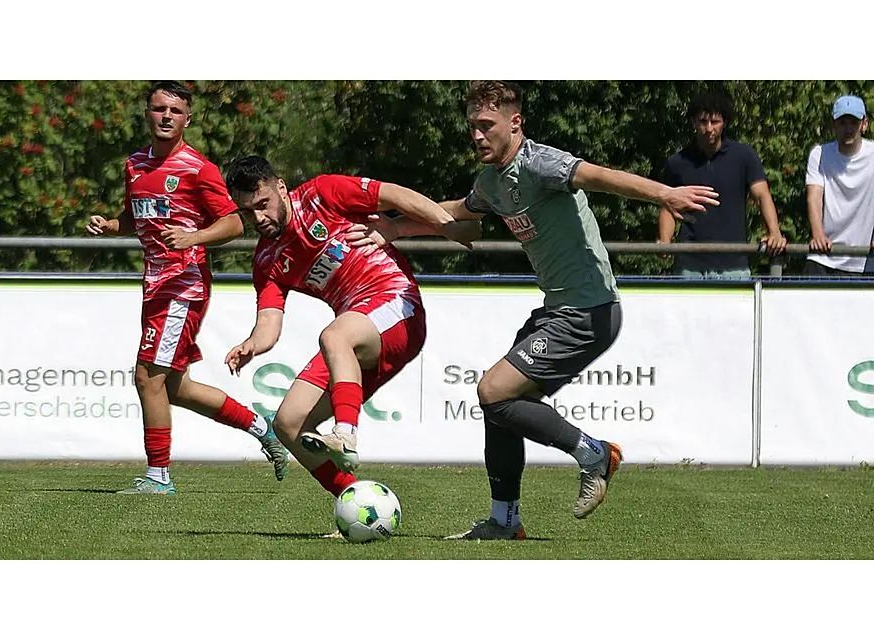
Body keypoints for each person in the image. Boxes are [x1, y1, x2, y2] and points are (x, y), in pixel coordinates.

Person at [429, 81, 719, 540]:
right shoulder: (491, 182)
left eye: (487, 125)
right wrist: (391, 221)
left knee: (493, 391)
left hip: (588, 311)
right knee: (500, 404)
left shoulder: (540, 162)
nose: (478, 136)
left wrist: (664, 194)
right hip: (558, 310)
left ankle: (594, 454)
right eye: (473, 127)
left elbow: (601, 176)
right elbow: (456, 213)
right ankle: (505, 520)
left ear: (515, 123)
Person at [223, 155, 476, 502]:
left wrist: (448, 226)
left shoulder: (322, 195)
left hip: (397, 304)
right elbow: (269, 322)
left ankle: (345, 433)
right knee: (288, 423)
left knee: (334, 335)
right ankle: (354, 498)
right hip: (357, 334)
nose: (259, 218)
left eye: (263, 205)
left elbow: (395, 196)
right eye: (247, 212)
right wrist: (252, 344)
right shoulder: (268, 260)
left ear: (280, 187)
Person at [85, 82, 288, 495]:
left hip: (184, 284)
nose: (166, 116)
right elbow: (134, 216)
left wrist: (193, 238)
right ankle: (259, 426)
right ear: (147, 114)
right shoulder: (135, 165)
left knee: (147, 377)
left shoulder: (198, 168)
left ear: (187, 119)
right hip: (154, 285)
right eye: (159, 108)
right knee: (174, 387)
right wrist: (110, 225)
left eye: (175, 111)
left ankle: (158, 477)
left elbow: (233, 223)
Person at [658, 90, 787, 278]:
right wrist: (664, 240)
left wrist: (774, 233)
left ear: (724, 122)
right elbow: (667, 206)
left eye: (715, 122)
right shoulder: (677, 162)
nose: (709, 128)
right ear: (693, 122)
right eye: (702, 122)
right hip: (689, 265)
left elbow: (762, 196)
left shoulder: (744, 156)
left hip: (734, 264)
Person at [805, 94, 874, 276]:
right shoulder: (819, 154)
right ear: (834, 125)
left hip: (863, 261)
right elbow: (814, 198)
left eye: (853, 122)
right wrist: (818, 235)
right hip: (823, 257)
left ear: (864, 124)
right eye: (843, 122)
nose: (848, 128)